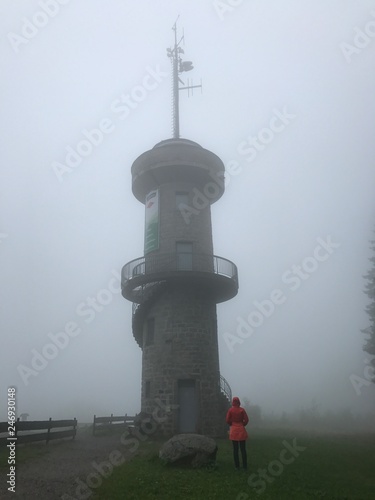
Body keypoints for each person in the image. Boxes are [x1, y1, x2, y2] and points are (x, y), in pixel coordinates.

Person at [226, 396, 249, 470]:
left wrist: (231, 424)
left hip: (234, 430)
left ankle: (237, 466)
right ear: (239, 402)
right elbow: (246, 419)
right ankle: (245, 466)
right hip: (241, 429)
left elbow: (227, 420)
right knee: (243, 449)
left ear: (233, 402)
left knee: (235, 449)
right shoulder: (242, 410)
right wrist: (242, 424)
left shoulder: (230, 410)